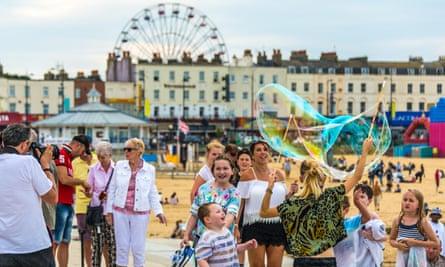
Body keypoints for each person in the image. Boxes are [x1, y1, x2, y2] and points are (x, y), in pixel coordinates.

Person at [259, 138, 373, 265]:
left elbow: (263, 212)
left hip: (303, 260)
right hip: (327, 259)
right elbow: (357, 176)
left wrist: (269, 187)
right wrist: (365, 151)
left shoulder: (294, 203)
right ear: (323, 180)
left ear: (303, 179)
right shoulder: (331, 195)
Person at [0, 124, 57, 267]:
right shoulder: (28, 163)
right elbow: (52, 197)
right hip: (33, 246)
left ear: (3, 142)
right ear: (25, 144)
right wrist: (45, 165)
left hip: (3, 248)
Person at [105, 138, 167, 267]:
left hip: (140, 213)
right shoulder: (119, 165)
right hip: (120, 212)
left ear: (139, 151)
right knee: (122, 246)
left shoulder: (150, 169)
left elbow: (152, 192)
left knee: (138, 248)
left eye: (129, 149)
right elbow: (112, 188)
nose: (126, 152)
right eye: (125, 149)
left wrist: (159, 211)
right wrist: (108, 211)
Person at [237, 140, 288, 267]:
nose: (262, 152)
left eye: (265, 149)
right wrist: (236, 226)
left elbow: (284, 201)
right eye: (258, 150)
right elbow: (239, 204)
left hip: (277, 224)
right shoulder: (247, 175)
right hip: (253, 225)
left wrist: (292, 192)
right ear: (252, 155)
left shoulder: (279, 174)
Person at [181, 156, 240, 249]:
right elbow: (194, 214)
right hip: (201, 239)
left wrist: (216, 234)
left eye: (225, 168)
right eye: (218, 169)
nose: (222, 172)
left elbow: (230, 217)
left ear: (232, 171)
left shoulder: (234, 193)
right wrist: (186, 234)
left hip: (222, 241)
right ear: (213, 171)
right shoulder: (203, 188)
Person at [54, 135, 91, 267]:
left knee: (65, 241)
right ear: (78, 146)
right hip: (59, 203)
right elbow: (64, 179)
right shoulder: (62, 154)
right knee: (55, 241)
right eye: (83, 151)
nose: (82, 155)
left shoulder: (69, 158)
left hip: (68, 202)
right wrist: (82, 182)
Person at [195, 202, 258, 267]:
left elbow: (233, 249)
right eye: (218, 212)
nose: (223, 213)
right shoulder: (207, 238)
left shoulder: (227, 232)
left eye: (223, 210)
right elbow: (202, 259)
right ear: (208, 219)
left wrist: (246, 246)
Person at [389, 189, 439, 266]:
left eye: (411, 200)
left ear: (419, 205)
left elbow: (435, 243)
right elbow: (391, 240)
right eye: (405, 200)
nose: (407, 203)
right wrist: (398, 245)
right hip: (402, 260)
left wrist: (415, 243)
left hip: (418, 261)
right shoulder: (397, 221)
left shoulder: (422, 222)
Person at [86, 141, 116, 267]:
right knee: (97, 245)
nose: (100, 160)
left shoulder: (117, 170)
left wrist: (111, 195)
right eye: (98, 157)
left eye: (103, 157)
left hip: (112, 213)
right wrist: (89, 193)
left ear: (110, 155)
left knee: (113, 246)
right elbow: (89, 189)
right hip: (97, 212)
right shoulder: (93, 169)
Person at [73, 152, 98, 267]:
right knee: (86, 239)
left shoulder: (98, 159)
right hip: (81, 206)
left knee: (100, 239)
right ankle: (89, 265)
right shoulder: (75, 163)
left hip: (98, 205)